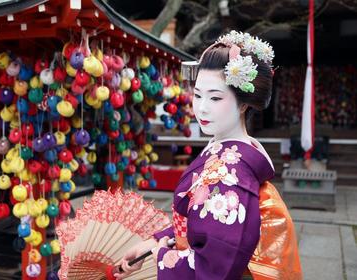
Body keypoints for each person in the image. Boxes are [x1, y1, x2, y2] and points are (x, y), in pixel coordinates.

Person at [114, 30, 302, 280]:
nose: (201, 107)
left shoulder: (230, 176)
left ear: (244, 104)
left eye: (215, 97)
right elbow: (204, 226)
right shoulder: (227, 155)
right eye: (198, 94)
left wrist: (162, 256)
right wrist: (153, 243)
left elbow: (212, 268)